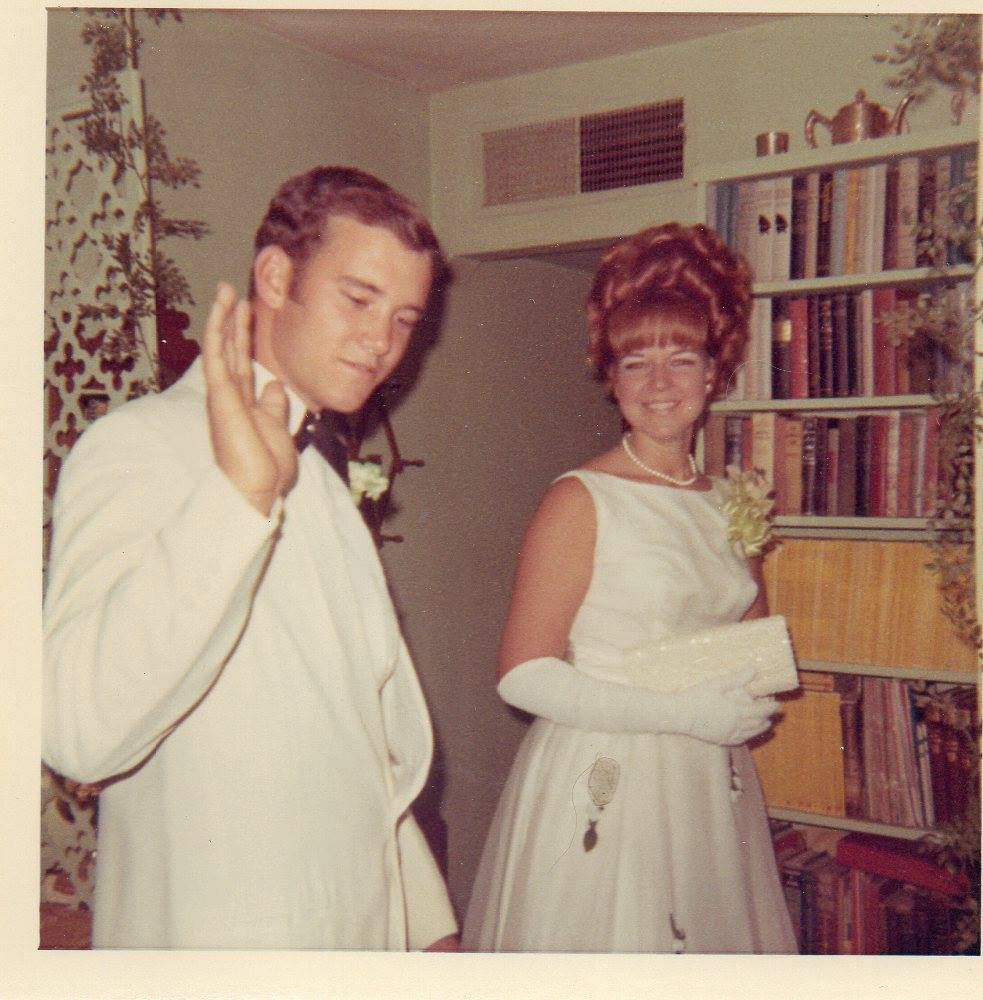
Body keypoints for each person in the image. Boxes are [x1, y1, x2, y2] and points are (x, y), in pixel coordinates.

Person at [43, 166, 459, 950]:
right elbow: (77, 729)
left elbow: (354, 738)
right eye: (358, 298)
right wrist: (238, 497)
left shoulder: (326, 480)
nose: (382, 342)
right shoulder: (136, 445)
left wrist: (427, 927)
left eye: (404, 318)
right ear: (274, 277)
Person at [462, 222, 798, 954]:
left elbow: (749, 639)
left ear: (713, 373)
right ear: (610, 379)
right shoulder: (579, 499)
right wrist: (686, 714)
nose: (658, 385)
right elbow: (522, 674)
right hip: (610, 765)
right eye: (635, 363)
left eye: (681, 360)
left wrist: (744, 695)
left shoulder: (727, 499)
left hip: (707, 775)